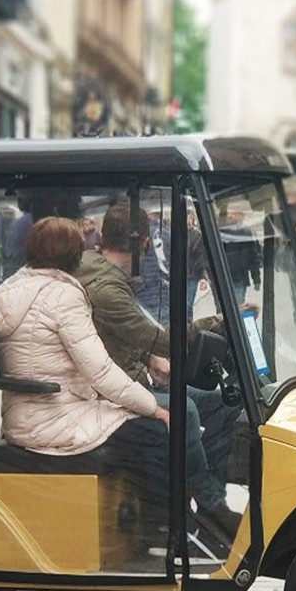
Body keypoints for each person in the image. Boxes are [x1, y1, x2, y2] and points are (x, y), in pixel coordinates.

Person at [0, 217, 239, 541]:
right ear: (75, 256)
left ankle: (184, 512)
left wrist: (146, 365)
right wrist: (153, 408)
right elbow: (100, 371)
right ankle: (176, 520)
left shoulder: (12, 290)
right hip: (59, 418)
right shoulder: (62, 296)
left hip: (35, 412)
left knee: (175, 414)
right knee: (172, 418)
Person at [76, 204, 239, 516]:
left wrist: (150, 357)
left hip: (129, 377)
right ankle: (208, 503)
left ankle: (210, 499)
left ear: (102, 236)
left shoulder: (101, 272)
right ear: (146, 244)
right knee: (186, 410)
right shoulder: (108, 289)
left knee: (224, 404)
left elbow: (130, 335)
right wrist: (217, 320)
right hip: (112, 393)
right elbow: (162, 339)